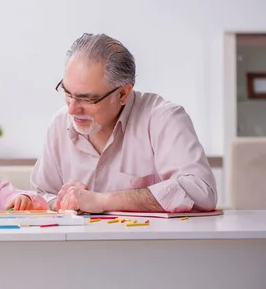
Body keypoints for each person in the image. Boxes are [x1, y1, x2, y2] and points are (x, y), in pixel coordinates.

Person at [31, 33, 217, 213]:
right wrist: (63, 202)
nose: (72, 109)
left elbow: (201, 191)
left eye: (87, 99)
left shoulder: (163, 118)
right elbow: (41, 195)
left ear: (123, 94)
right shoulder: (59, 123)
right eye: (67, 93)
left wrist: (103, 200)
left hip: (149, 243)